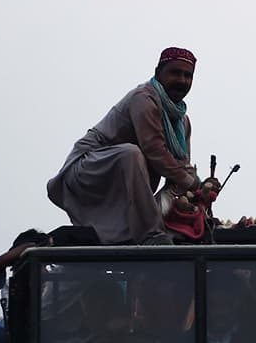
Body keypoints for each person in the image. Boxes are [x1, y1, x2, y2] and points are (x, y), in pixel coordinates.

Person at [46, 47, 202, 245]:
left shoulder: (182, 122)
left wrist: (198, 196)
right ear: (158, 73)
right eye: (175, 73)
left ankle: (146, 232)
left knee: (177, 183)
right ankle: (151, 235)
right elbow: (155, 151)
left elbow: (181, 171)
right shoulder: (145, 98)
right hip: (88, 170)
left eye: (188, 76)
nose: (182, 80)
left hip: (125, 180)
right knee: (132, 154)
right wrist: (192, 182)